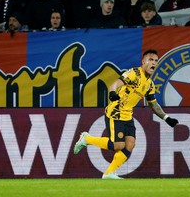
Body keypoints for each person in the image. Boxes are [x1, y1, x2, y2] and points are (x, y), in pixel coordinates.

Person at [73, 49, 179, 179]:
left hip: (128, 115)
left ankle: (108, 174)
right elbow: (115, 83)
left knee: (130, 144)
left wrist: (166, 118)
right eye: (150, 60)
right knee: (118, 145)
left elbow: (153, 104)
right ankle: (87, 139)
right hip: (116, 111)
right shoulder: (134, 73)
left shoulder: (149, 84)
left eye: (156, 61)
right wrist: (113, 93)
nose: (153, 63)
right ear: (143, 61)